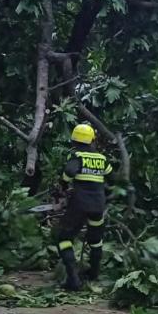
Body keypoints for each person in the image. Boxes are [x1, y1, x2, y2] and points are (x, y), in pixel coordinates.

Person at [53, 124, 112, 291]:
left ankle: (73, 279)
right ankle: (93, 273)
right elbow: (111, 176)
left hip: (79, 206)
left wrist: (63, 187)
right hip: (98, 206)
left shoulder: (77, 156)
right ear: (92, 140)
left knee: (64, 238)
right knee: (95, 239)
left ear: (74, 141)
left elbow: (69, 172)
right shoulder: (101, 159)